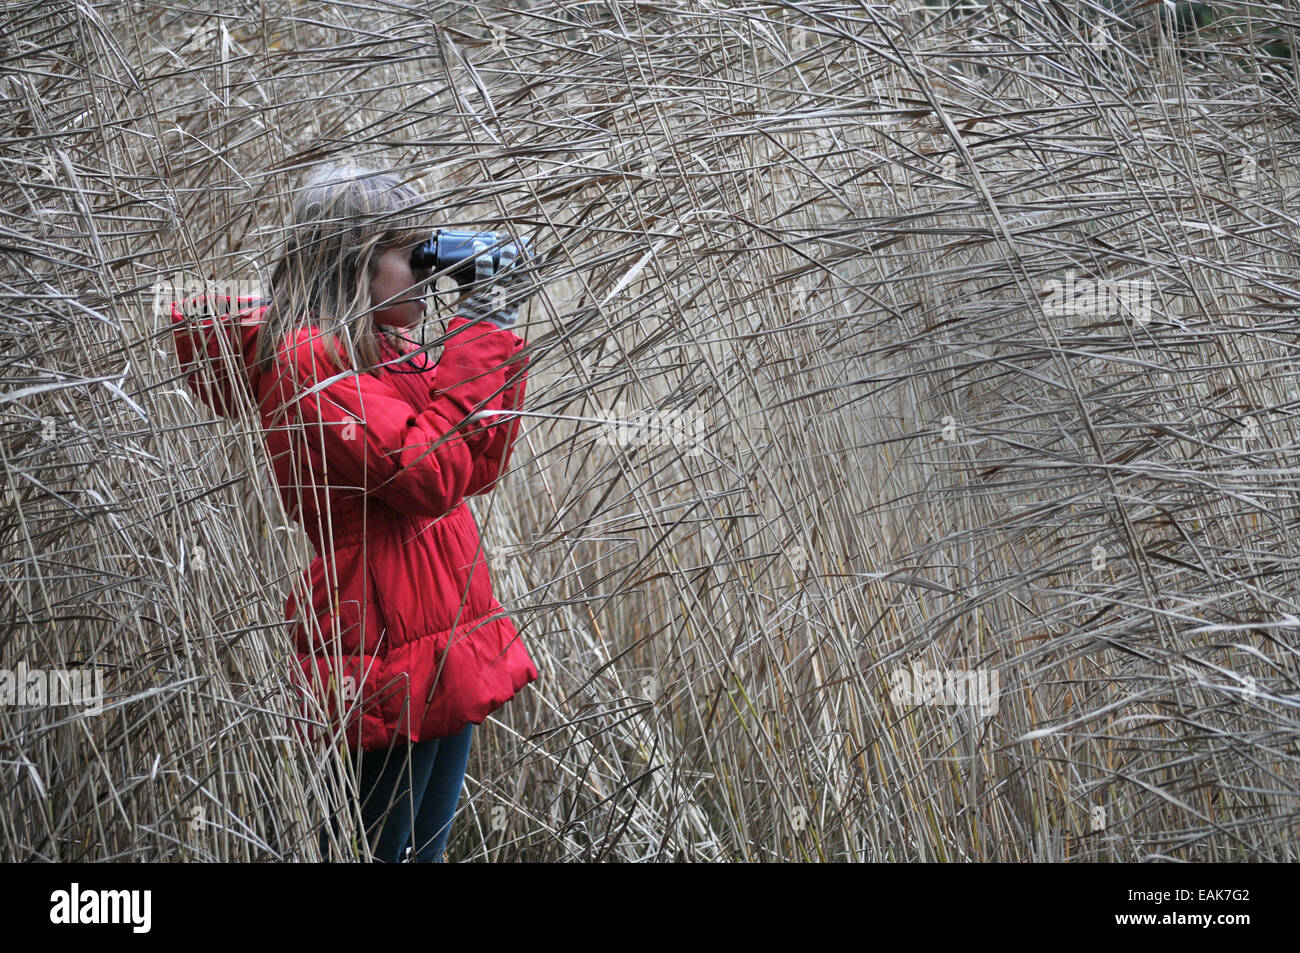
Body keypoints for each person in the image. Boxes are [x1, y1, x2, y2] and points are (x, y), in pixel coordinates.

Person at [167, 163, 540, 862]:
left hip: (436, 637)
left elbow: (472, 464)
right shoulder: (311, 363)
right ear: (354, 264)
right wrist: (480, 326)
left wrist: (494, 327)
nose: (433, 277)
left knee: (418, 853)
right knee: (373, 853)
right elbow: (426, 474)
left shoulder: (381, 351)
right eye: (414, 257)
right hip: (376, 650)